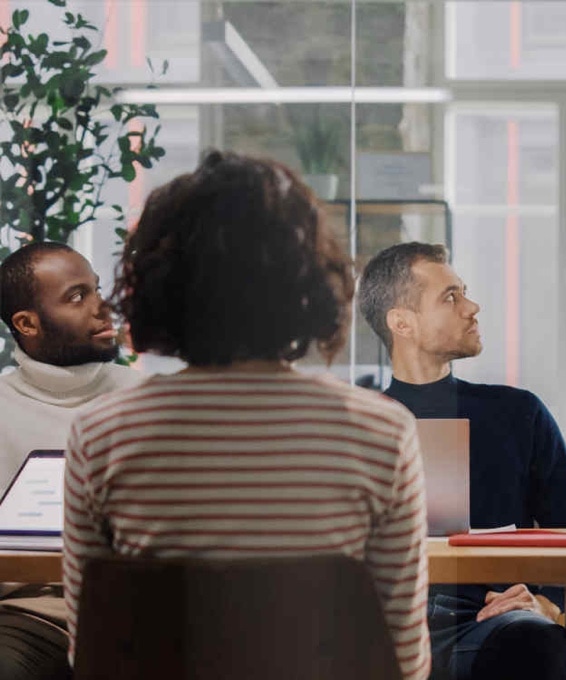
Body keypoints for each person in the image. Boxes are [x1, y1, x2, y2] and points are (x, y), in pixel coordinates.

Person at [60, 151, 431, 679]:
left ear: (157, 283)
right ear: (309, 285)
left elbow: (92, 651)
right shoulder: (382, 432)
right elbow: (403, 661)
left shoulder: (101, 433)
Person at [357, 242, 566, 680]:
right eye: (451, 297)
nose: (472, 306)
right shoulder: (359, 421)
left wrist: (547, 602)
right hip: (383, 622)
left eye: (464, 292)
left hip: (490, 619)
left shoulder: (518, 413)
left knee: (535, 641)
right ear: (401, 322)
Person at [0, 241, 144, 680]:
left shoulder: (146, 398)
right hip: (33, 615)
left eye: (97, 289)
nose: (103, 307)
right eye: (77, 296)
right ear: (27, 323)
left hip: (139, 610)